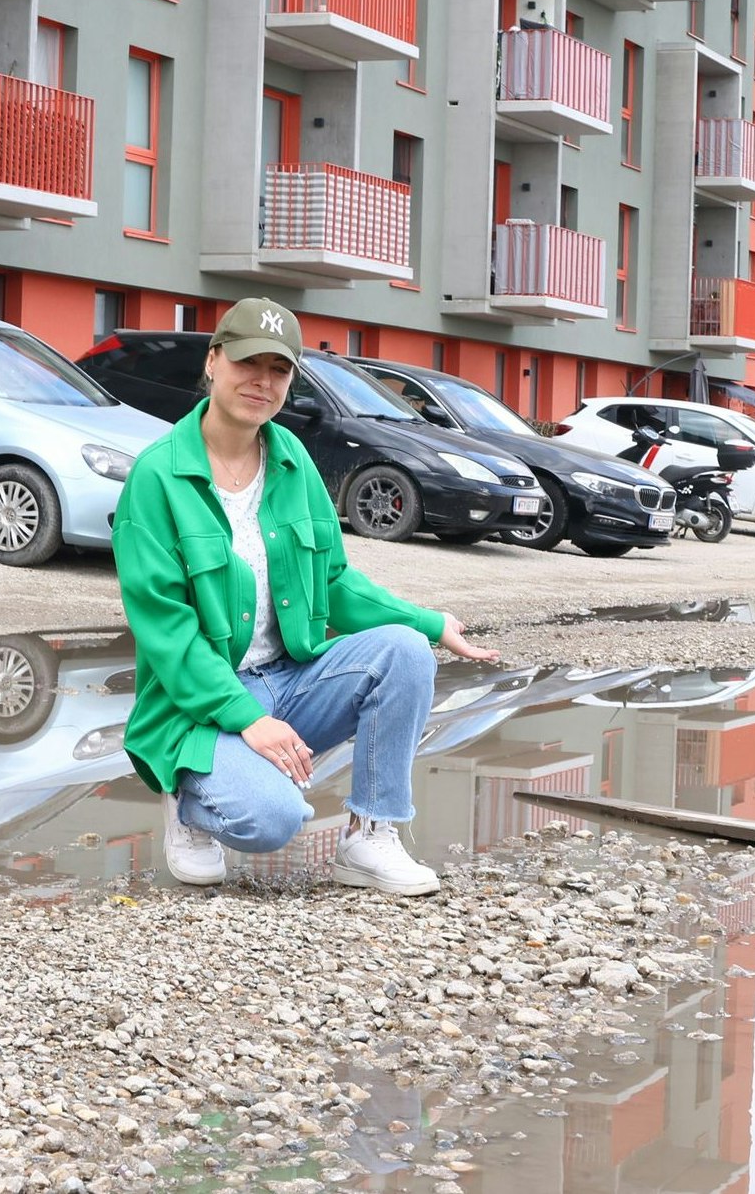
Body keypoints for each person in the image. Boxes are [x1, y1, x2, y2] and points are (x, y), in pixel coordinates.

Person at [112, 297, 498, 894]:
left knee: (403, 652)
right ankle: (188, 800)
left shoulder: (293, 462)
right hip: (198, 703)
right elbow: (167, 632)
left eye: (279, 369)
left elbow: (334, 582)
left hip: (290, 678)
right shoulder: (157, 476)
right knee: (273, 819)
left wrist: (426, 622)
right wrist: (248, 720)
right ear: (214, 362)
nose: (262, 382)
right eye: (247, 363)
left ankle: (370, 837)